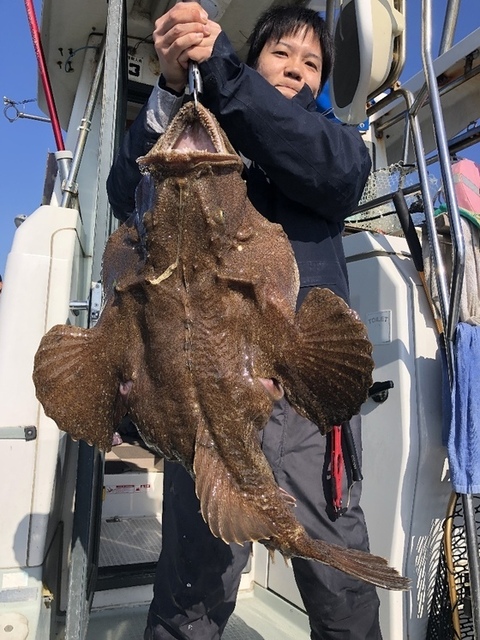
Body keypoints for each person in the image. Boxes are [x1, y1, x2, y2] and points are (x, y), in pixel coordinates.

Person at [107, 4, 381, 639]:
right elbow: (129, 193)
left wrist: (226, 74)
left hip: (304, 402)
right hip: (201, 393)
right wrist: (174, 86)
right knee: (193, 590)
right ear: (255, 61)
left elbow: (331, 171)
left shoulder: (334, 143)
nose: (297, 70)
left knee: (340, 589)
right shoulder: (194, 129)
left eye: (312, 63)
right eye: (281, 54)